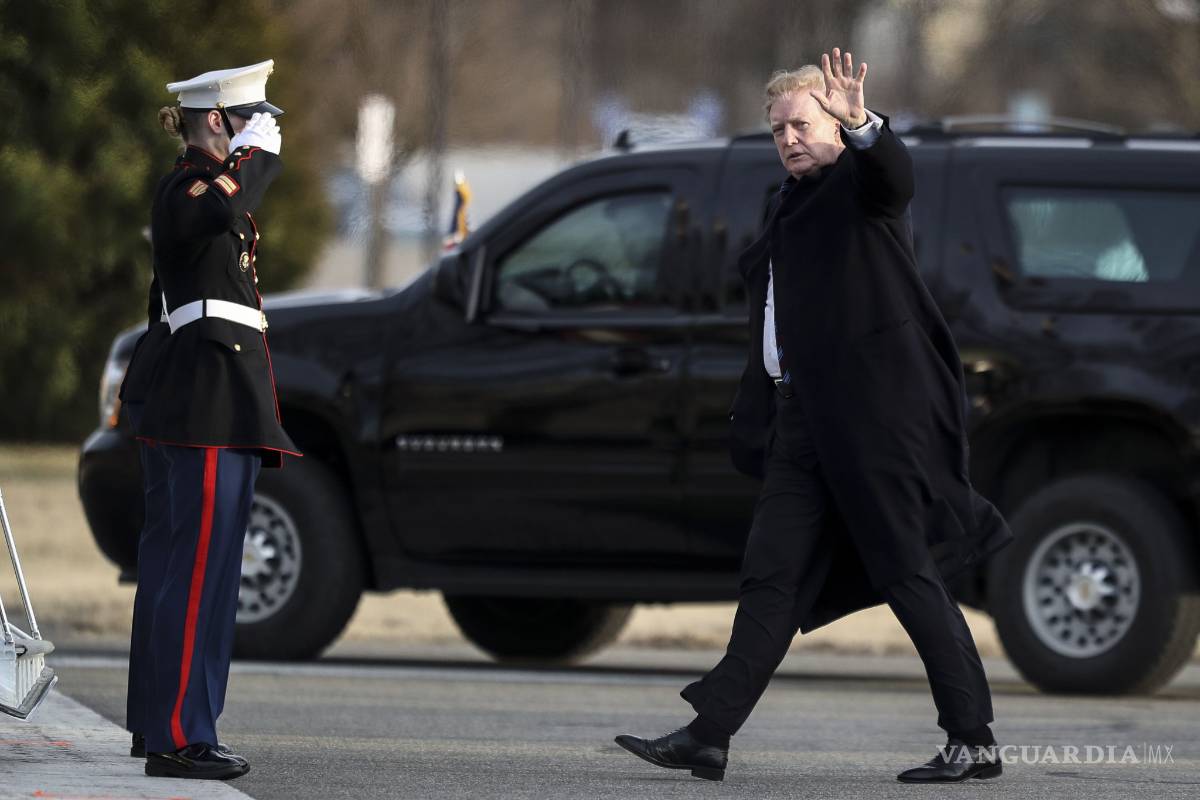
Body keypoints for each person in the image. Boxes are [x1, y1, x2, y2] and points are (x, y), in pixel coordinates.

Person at [614, 48, 1014, 784]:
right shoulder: (786, 204)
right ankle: (709, 735)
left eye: (801, 125)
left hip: (870, 425)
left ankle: (973, 739)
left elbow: (894, 177)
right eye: (777, 130)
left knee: (905, 572)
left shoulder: (857, 189)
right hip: (801, 425)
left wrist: (863, 120)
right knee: (771, 577)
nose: (789, 139)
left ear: (833, 126)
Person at [123, 59, 299, 781]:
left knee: (207, 577)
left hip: (219, 406)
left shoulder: (207, 191)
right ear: (222, 121)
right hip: (197, 407)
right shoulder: (187, 188)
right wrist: (254, 159)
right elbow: (217, 208)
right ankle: (175, 735)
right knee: (189, 578)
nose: (263, 133)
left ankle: (178, 726)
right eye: (251, 120)